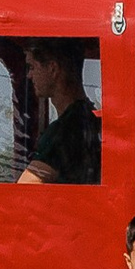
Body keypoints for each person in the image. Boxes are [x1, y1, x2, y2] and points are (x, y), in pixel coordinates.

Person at [18, 45, 102, 185]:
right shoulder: (87, 119)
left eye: (32, 67)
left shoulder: (65, 130)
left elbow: (25, 189)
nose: (29, 75)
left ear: (53, 68)